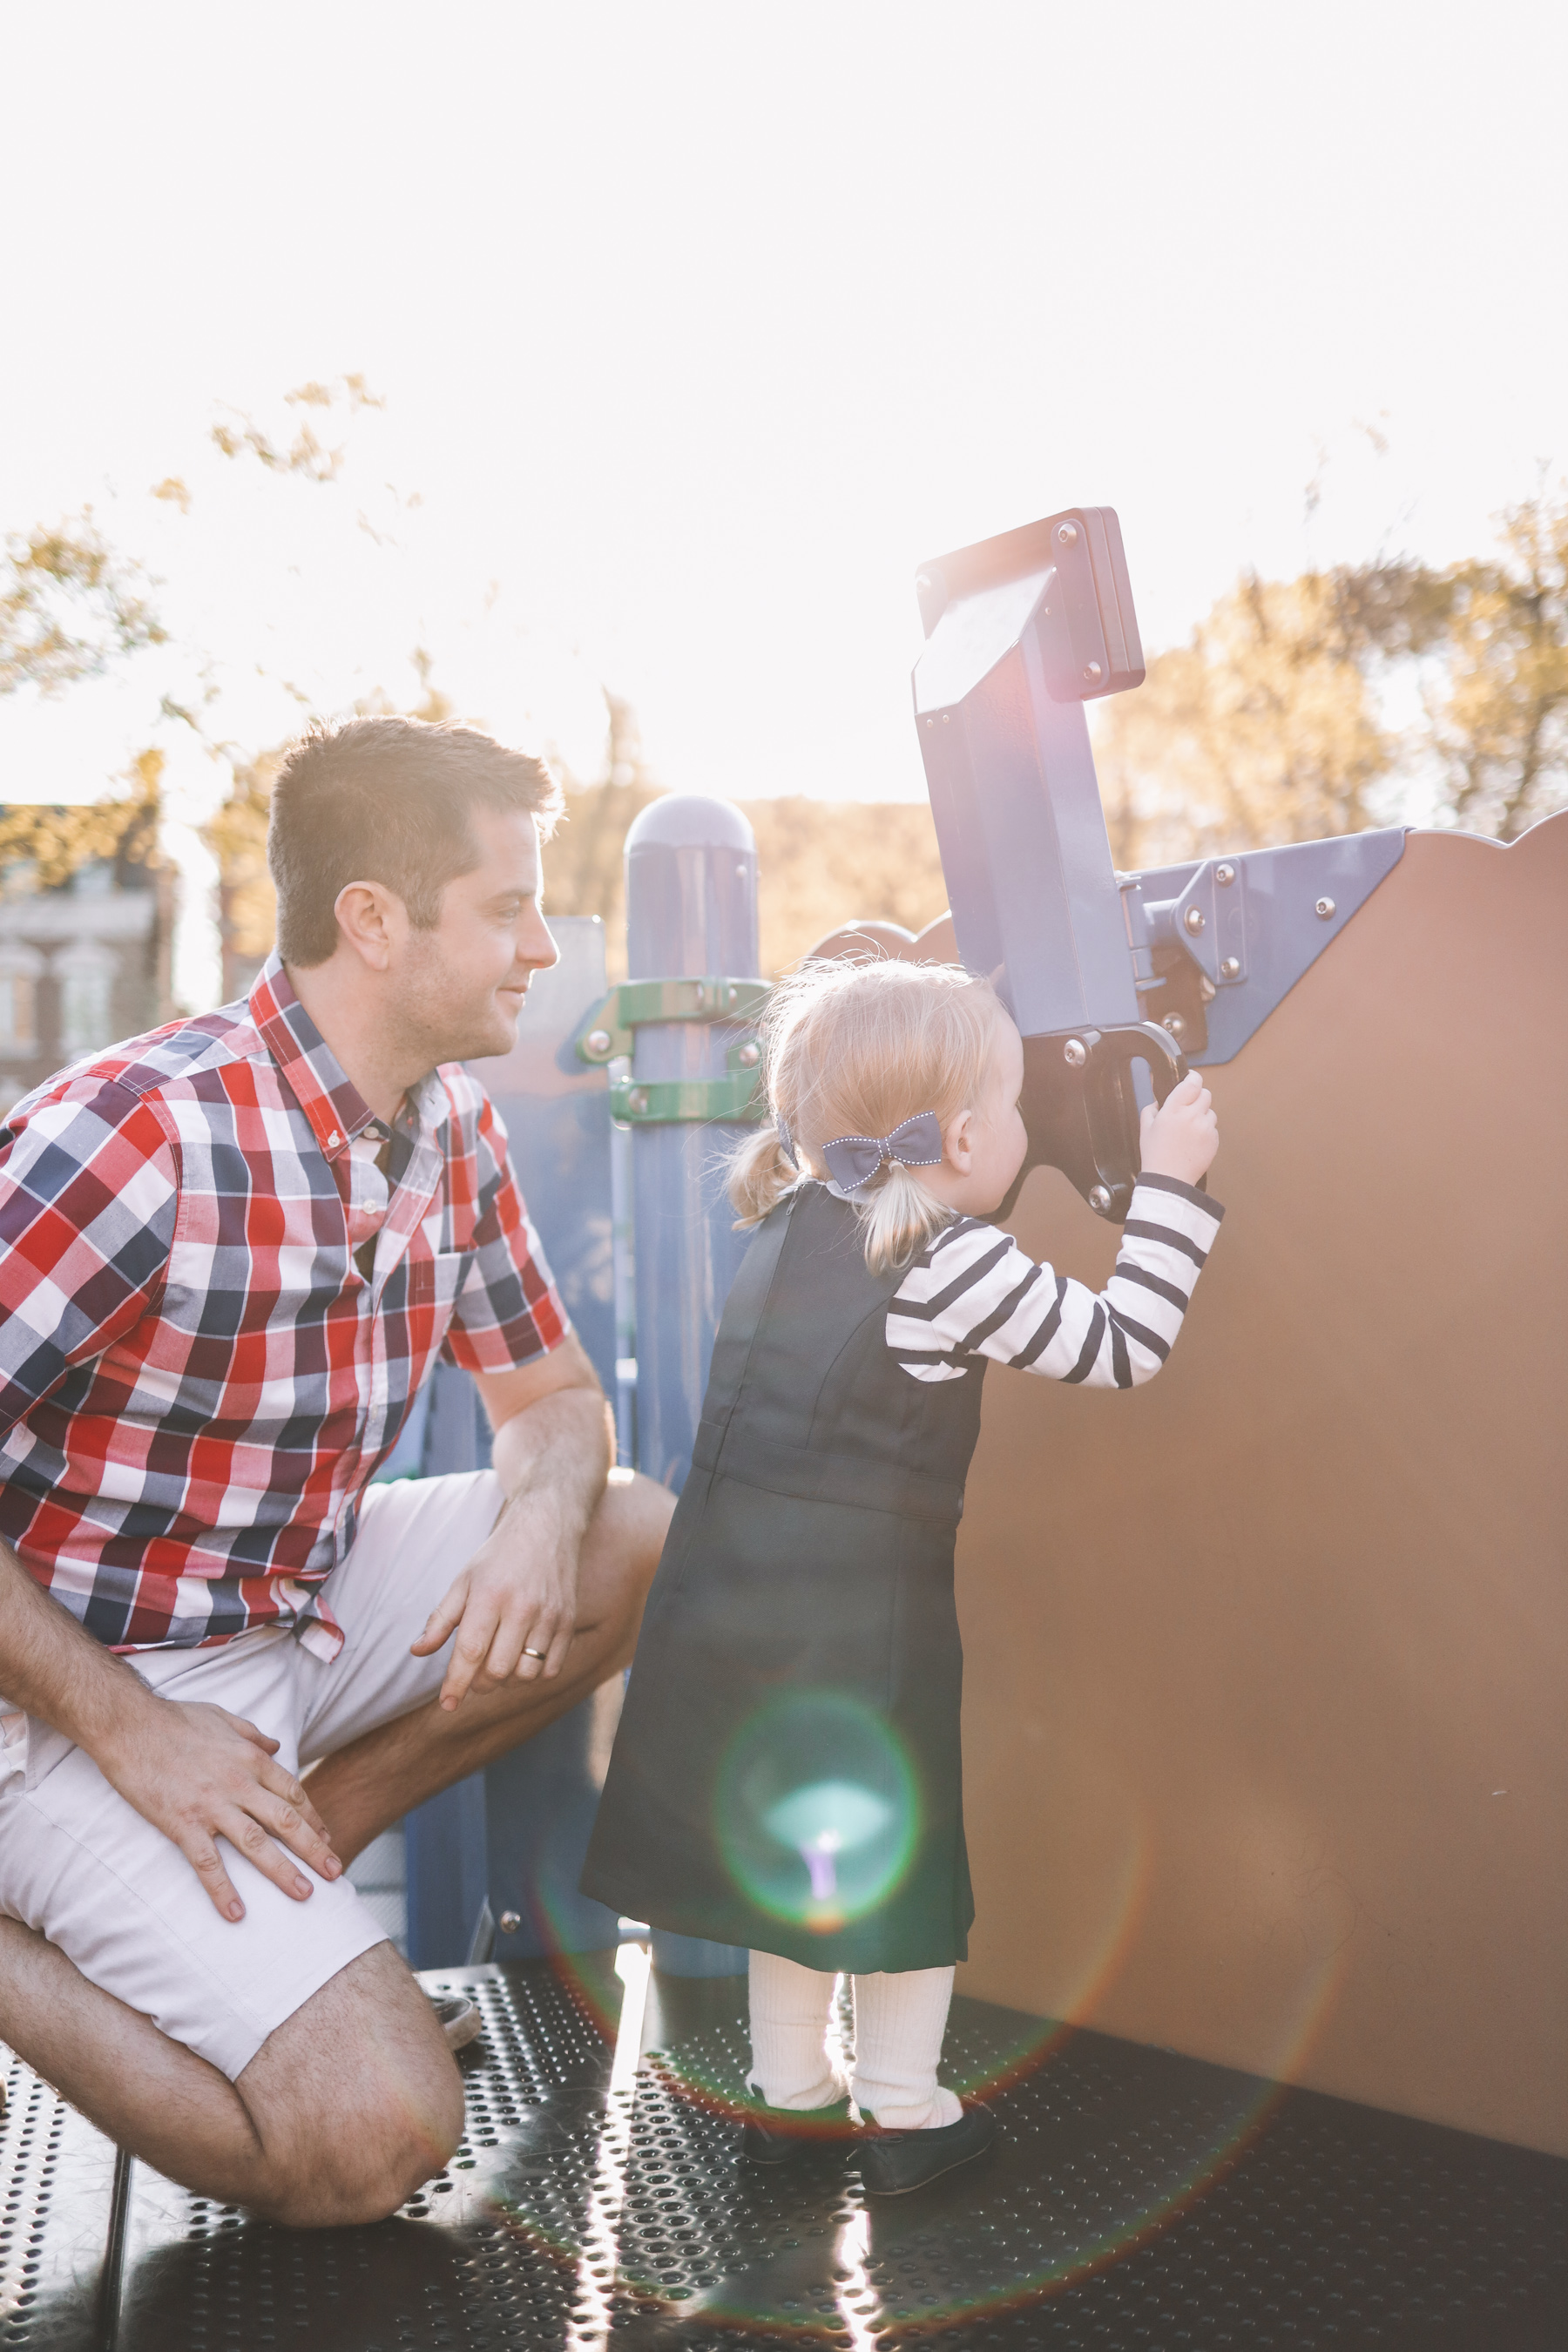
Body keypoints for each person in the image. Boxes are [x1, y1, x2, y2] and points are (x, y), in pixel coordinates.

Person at [0, 716, 673, 2227]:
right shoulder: (138, 1136)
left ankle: (305, 1856)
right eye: (508, 909)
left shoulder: (449, 1130)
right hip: (61, 1691)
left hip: (286, 1613)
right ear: (373, 921)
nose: (541, 951)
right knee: (374, 2132)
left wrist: (539, 1524)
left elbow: (555, 1400)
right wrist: (134, 1734)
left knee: (631, 1537)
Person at [582, 957, 1221, 2195]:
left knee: (793, 1861)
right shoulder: (946, 1259)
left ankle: (786, 2099)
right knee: (895, 1858)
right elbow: (1122, 1343)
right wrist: (1172, 1190)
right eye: (1018, 1112)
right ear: (971, 1134)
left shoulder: (782, 1228)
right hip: (861, 1622)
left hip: (730, 1606)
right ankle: (905, 2111)